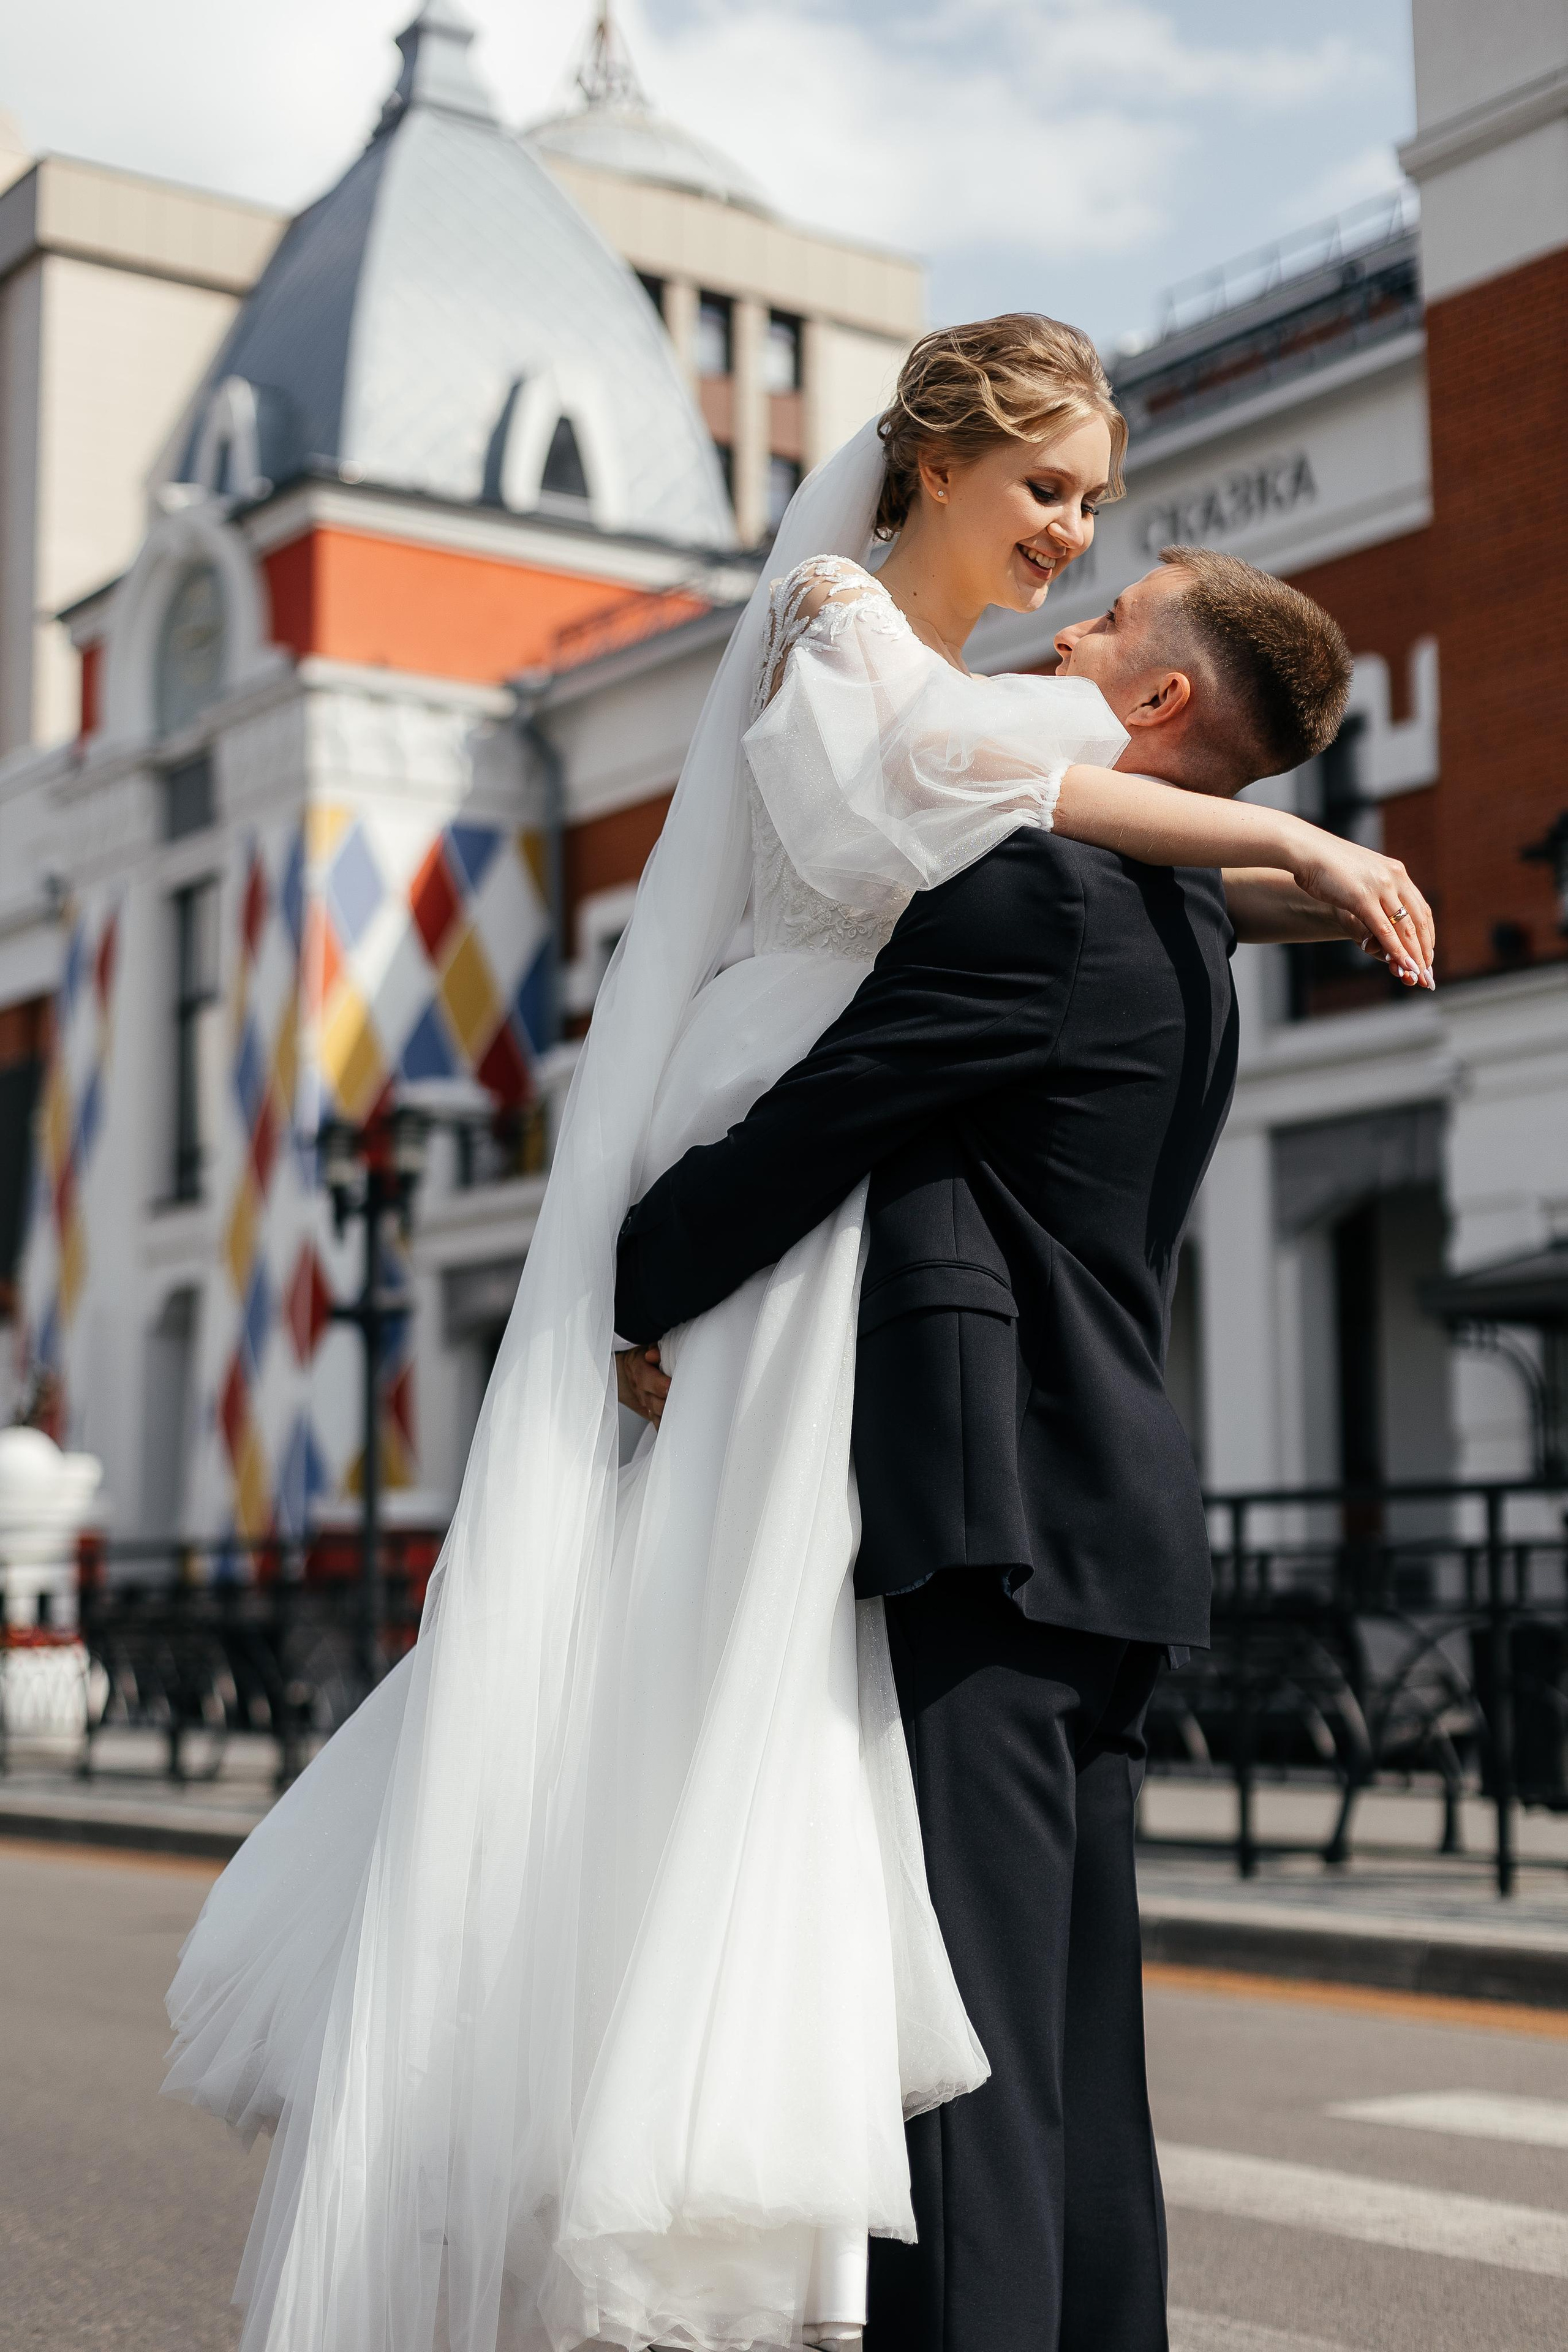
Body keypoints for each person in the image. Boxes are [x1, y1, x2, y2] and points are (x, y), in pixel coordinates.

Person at [165, 315, 1430, 2352]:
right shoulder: (1161, 909)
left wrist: (630, 1282)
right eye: (1057, 506)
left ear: (1158, 696)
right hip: (1098, 1527)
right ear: (937, 469)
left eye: (1107, 569)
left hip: (980, 1507)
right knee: (1063, 2052)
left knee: (970, 2055)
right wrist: (1290, 847)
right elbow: (1000, 804)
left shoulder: (1038, 880)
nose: (1077, 572)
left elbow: (839, 1097)